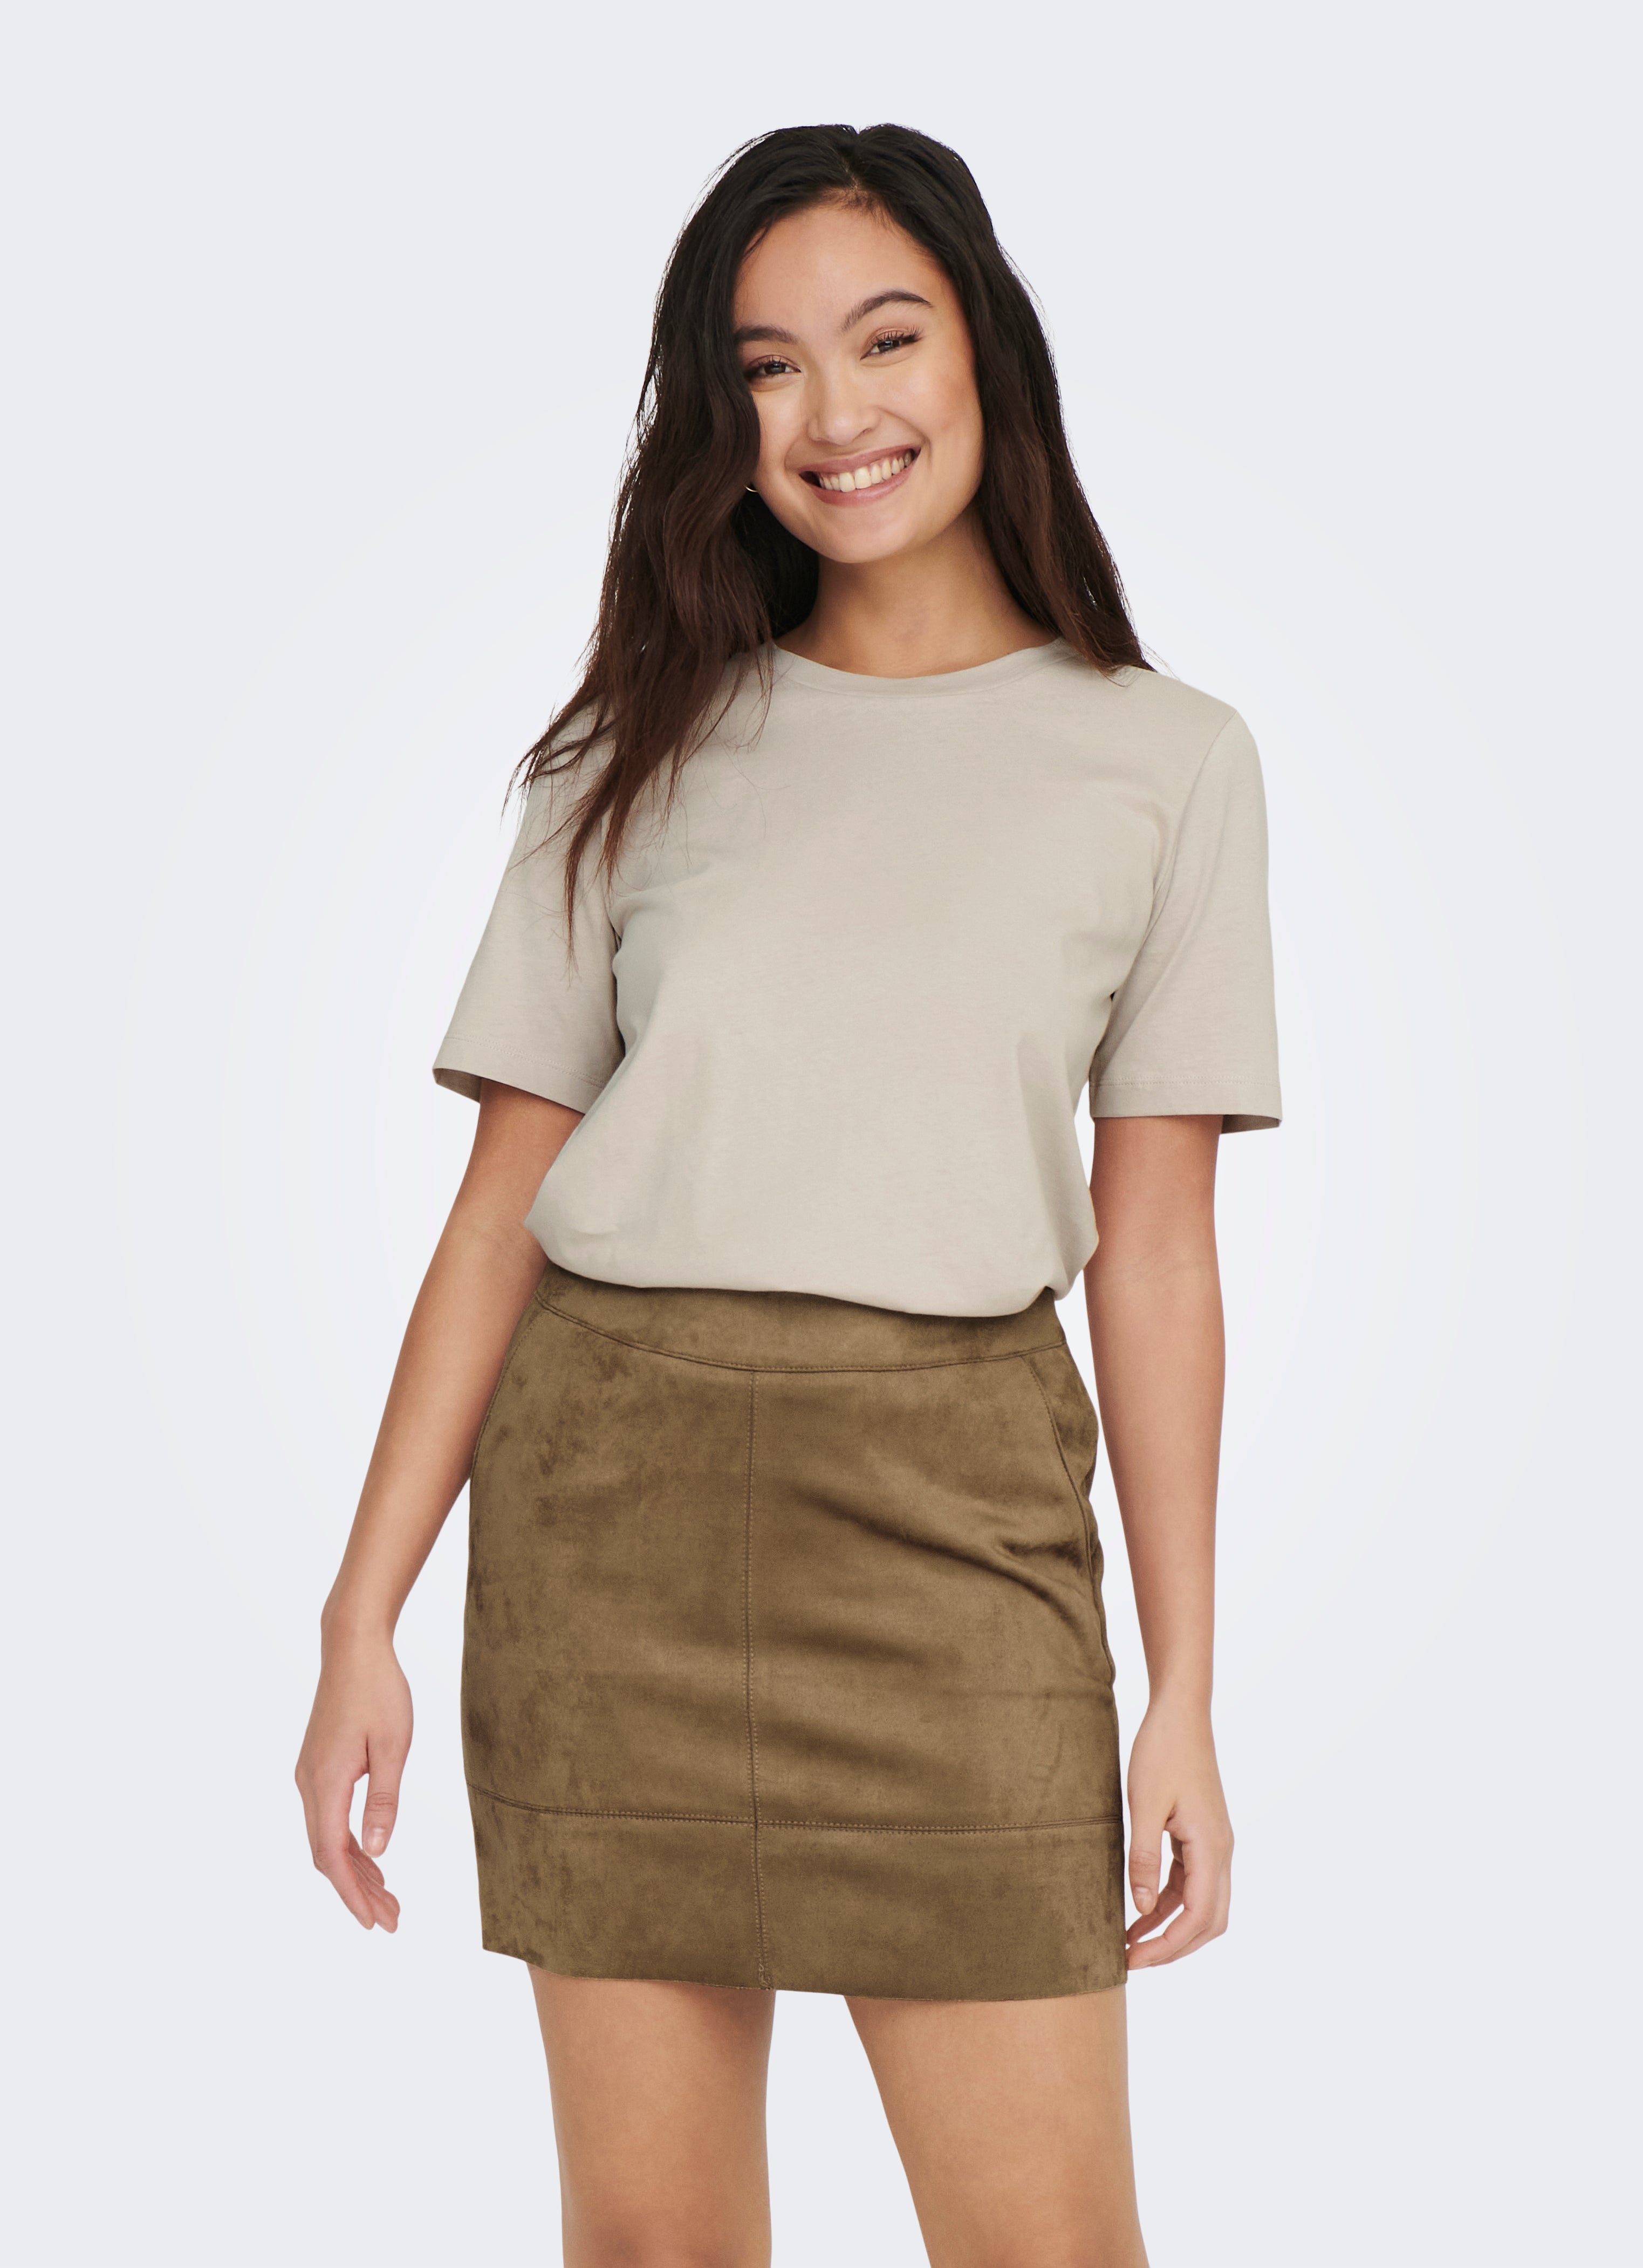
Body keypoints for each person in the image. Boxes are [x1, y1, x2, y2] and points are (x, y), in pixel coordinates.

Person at [296, 120, 1281, 2268]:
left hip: (958, 1542)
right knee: (650, 2247)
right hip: (612, 1533)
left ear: (986, 349)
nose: (834, 411)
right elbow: (495, 1210)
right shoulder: (630, 746)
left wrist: (1185, 1685)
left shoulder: (1165, 760)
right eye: (766, 366)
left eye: (885, 338)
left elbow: (1159, 1252)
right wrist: (359, 1613)